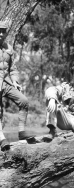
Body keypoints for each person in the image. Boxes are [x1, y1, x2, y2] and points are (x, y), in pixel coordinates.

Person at [0, 21, 35, 151]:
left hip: (7, 82)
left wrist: (15, 80)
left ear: (6, 33)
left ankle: (21, 132)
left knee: (24, 101)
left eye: (3, 31)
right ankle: (1, 138)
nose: (1, 33)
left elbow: (13, 68)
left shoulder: (9, 48)